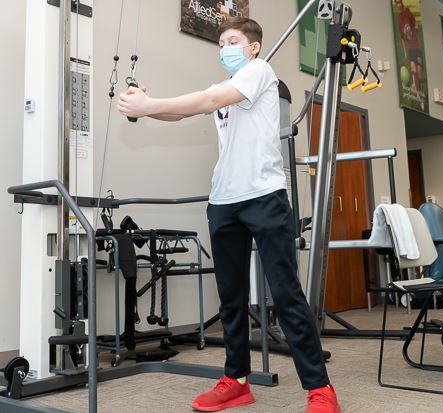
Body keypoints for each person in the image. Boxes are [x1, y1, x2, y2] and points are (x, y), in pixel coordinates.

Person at [117, 17, 339, 413]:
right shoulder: (225, 87)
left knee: (285, 293)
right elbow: (186, 111)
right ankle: (237, 380)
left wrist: (150, 105)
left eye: (232, 41)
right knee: (231, 297)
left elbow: (207, 102)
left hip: (264, 196)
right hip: (224, 201)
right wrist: (147, 109)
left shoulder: (260, 71)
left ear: (253, 47)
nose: (225, 49)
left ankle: (320, 389)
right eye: (220, 44)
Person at [395, 0, 423, 95]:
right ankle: (415, 88)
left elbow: (415, 23)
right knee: (413, 68)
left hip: (417, 47)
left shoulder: (407, 12)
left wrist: (415, 28)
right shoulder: (399, 19)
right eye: (397, 3)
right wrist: (405, 52)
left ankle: (419, 86)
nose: (398, 5)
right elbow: (402, 38)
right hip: (410, 48)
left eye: (399, 2)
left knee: (419, 72)